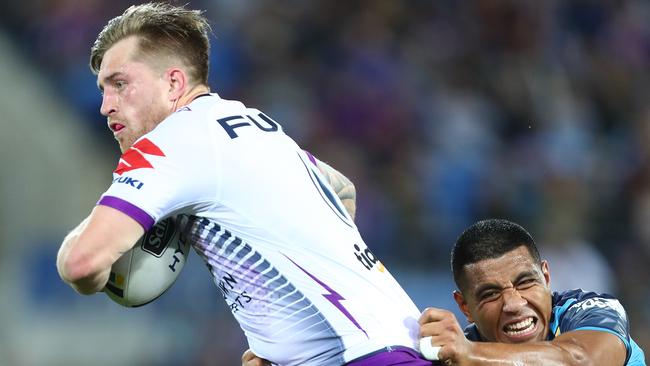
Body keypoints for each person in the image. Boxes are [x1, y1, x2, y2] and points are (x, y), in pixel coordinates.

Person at [55, 3, 432, 365]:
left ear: (173, 82)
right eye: (104, 88)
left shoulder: (169, 143)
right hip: (398, 343)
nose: (106, 105)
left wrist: (83, 242)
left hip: (359, 358)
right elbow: (343, 189)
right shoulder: (252, 123)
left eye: (120, 84)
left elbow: (82, 264)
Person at [418, 218, 646, 365]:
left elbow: (583, 361)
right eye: (490, 294)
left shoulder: (592, 311)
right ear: (464, 307)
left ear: (546, 277)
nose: (514, 304)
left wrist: (471, 354)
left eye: (525, 282)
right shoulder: (456, 353)